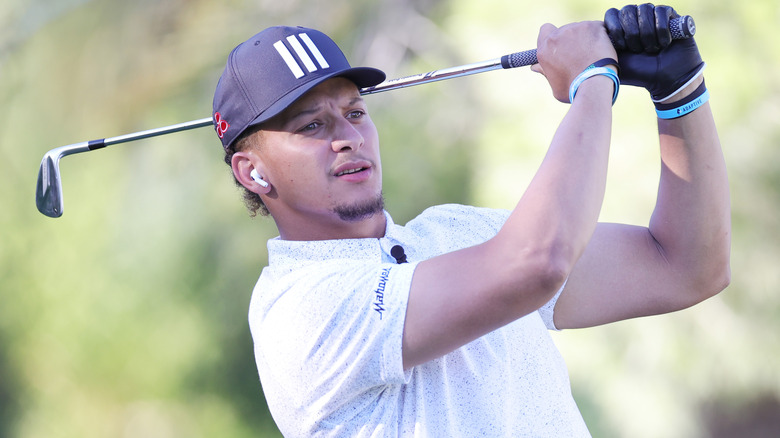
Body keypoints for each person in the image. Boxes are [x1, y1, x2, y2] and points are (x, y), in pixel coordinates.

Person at [211, 4, 730, 436]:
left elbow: (685, 267)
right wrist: (592, 82)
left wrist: (679, 95)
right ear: (253, 171)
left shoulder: (459, 233)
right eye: (311, 125)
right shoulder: (300, 307)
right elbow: (536, 263)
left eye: (354, 112)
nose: (347, 136)